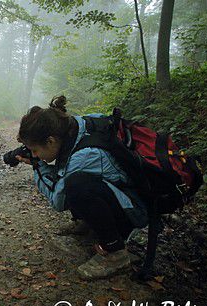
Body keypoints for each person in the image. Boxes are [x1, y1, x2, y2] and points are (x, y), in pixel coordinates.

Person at [15, 96, 148, 280]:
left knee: (76, 185)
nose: (35, 154)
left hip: (137, 209)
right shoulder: (75, 128)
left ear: (51, 141)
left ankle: (115, 251)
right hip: (128, 193)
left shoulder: (84, 155)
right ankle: (90, 223)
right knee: (75, 179)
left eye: (35, 150)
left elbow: (58, 200)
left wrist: (38, 166)